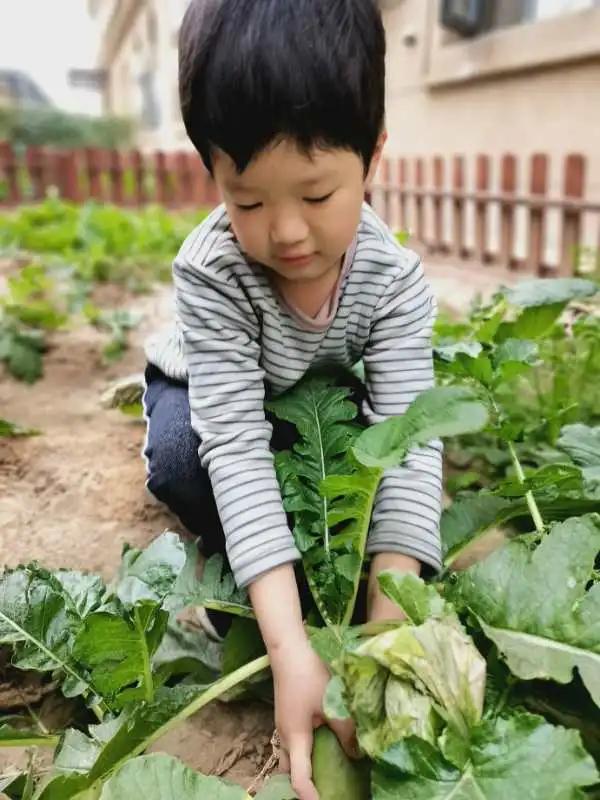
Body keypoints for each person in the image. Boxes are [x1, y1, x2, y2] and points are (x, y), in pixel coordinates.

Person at [141, 1, 443, 797]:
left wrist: (389, 619)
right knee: (185, 458)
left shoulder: (396, 281)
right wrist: (288, 650)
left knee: (392, 491)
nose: (286, 234)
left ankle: (280, 565)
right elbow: (233, 442)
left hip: (312, 397)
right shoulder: (211, 271)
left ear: (373, 156)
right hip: (210, 388)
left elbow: (407, 436)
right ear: (212, 171)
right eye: (246, 202)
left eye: (316, 196)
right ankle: (242, 574)